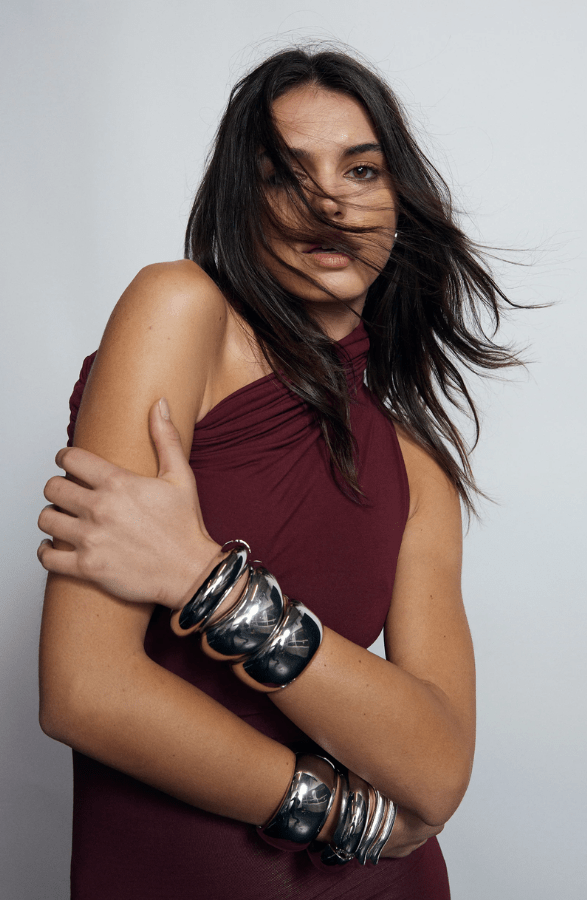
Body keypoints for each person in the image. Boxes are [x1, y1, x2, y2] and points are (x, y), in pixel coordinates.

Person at [37, 46, 517, 899]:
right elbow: (84, 689)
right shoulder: (179, 309)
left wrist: (206, 581)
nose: (328, 202)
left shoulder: (417, 465)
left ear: (399, 201)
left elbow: (438, 771)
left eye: (361, 169)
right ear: (242, 202)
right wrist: (343, 816)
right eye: (287, 175)